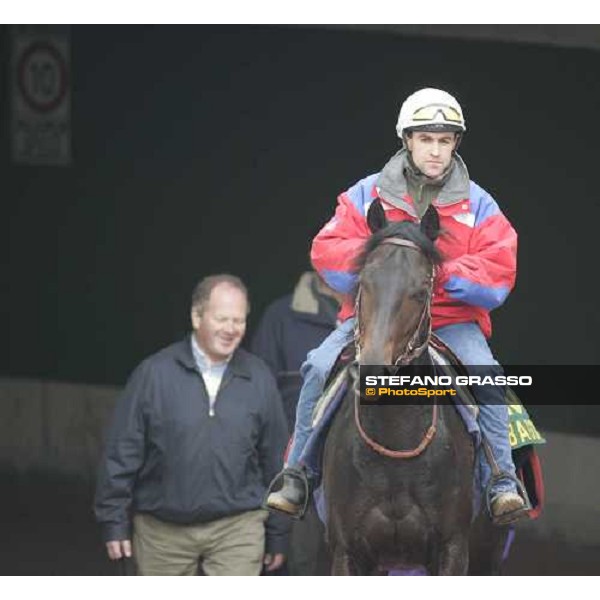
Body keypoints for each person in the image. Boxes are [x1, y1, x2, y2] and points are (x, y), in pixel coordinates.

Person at [266, 87, 528, 525]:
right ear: (407, 140)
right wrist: (383, 276)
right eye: (426, 139)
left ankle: (501, 481)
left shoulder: (480, 204)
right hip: (374, 319)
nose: (436, 151)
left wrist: (437, 274)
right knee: (317, 366)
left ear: (455, 145)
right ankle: (298, 473)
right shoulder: (366, 193)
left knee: (488, 375)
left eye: (445, 141)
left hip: (450, 322)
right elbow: (327, 247)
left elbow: (500, 267)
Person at [94, 274, 290, 575]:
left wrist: (279, 533)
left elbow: (278, 460)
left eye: (239, 321)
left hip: (237, 529)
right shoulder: (153, 375)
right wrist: (114, 521)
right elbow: (122, 452)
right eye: (222, 318)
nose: (231, 329)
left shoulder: (259, 378)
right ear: (197, 317)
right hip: (162, 533)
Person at [251, 271, 341, 433]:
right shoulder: (280, 317)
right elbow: (257, 397)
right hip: (297, 449)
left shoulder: (382, 316)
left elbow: (398, 394)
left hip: (361, 450)